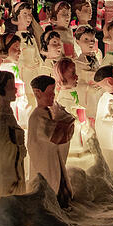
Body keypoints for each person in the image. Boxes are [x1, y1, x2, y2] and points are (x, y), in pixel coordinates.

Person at [27, 75, 76, 207]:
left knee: (56, 179)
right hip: (44, 159)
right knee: (48, 181)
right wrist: (65, 121)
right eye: (49, 92)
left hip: (51, 156)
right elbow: (54, 134)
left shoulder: (47, 112)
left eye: (53, 92)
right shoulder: (37, 116)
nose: (53, 95)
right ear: (38, 93)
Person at [0, 71, 27, 198]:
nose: (15, 90)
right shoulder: (2, 118)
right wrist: (19, 150)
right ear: (0, 90)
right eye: (11, 87)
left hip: (14, 169)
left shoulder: (7, 114)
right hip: (8, 172)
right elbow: (3, 149)